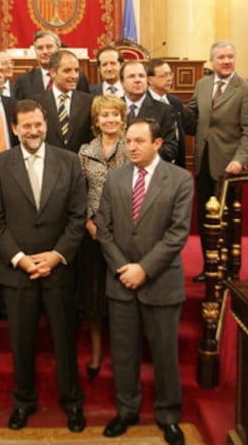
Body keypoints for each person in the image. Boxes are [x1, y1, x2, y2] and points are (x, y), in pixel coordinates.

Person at [0, 99, 87, 433]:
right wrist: (20, 259)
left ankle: (72, 403)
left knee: (64, 341)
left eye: (38, 124)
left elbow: (77, 217)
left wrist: (57, 255)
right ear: (14, 129)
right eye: (25, 125)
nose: (33, 131)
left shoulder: (70, 162)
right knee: (21, 342)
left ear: (46, 124)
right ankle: (23, 402)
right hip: (18, 271)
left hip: (59, 269)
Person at [97, 118, 193, 445]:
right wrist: (125, 267)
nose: (132, 147)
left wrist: (145, 269)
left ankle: (168, 415)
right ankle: (126, 410)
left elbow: (178, 233)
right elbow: (104, 228)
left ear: (157, 143)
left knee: (165, 354)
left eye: (139, 141)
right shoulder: (114, 178)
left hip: (161, 282)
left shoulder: (180, 179)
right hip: (121, 280)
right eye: (128, 141)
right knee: (123, 353)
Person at [184, 41, 248, 282]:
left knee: (228, 221)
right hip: (203, 163)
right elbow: (192, 114)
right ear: (212, 61)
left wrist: (240, 160)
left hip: (229, 167)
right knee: (206, 217)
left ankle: (229, 270)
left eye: (230, 57)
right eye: (221, 57)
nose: (226, 61)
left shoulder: (246, 89)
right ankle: (209, 267)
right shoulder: (202, 85)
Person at [78, 95, 128, 380]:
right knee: (95, 294)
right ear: (96, 120)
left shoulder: (131, 148)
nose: (110, 120)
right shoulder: (85, 152)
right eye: (104, 115)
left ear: (122, 118)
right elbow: (79, 191)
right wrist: (88, 223)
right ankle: (96, 348)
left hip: (125, 233)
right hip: (94, 233)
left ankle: (121, 349)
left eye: (115, 114)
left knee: (120, 291)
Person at [33, 49, 93, 152]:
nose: (74, 76)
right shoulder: (36, 103)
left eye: (76, 70)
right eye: (67, 71)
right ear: (53, 72)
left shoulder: (89, 102)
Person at [120, 60, 178, 163]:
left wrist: (143, 158)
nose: (138, 80)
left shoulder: (164, 110)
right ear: (122, 82)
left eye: (141, 76)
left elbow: (170, 149)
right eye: (131, 76)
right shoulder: (114, 108)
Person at [14, 30, 89, 99]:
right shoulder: (24, 81)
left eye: (49, 47)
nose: (45, 52)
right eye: (40, 48)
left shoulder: (78, 77)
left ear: (58, 48)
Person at [146, 58, 186, 167]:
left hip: (177, 164)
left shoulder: (175, 102)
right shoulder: (144, 102)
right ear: (150, 79)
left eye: (170, 74)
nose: (169, 79)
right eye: (164, 75)